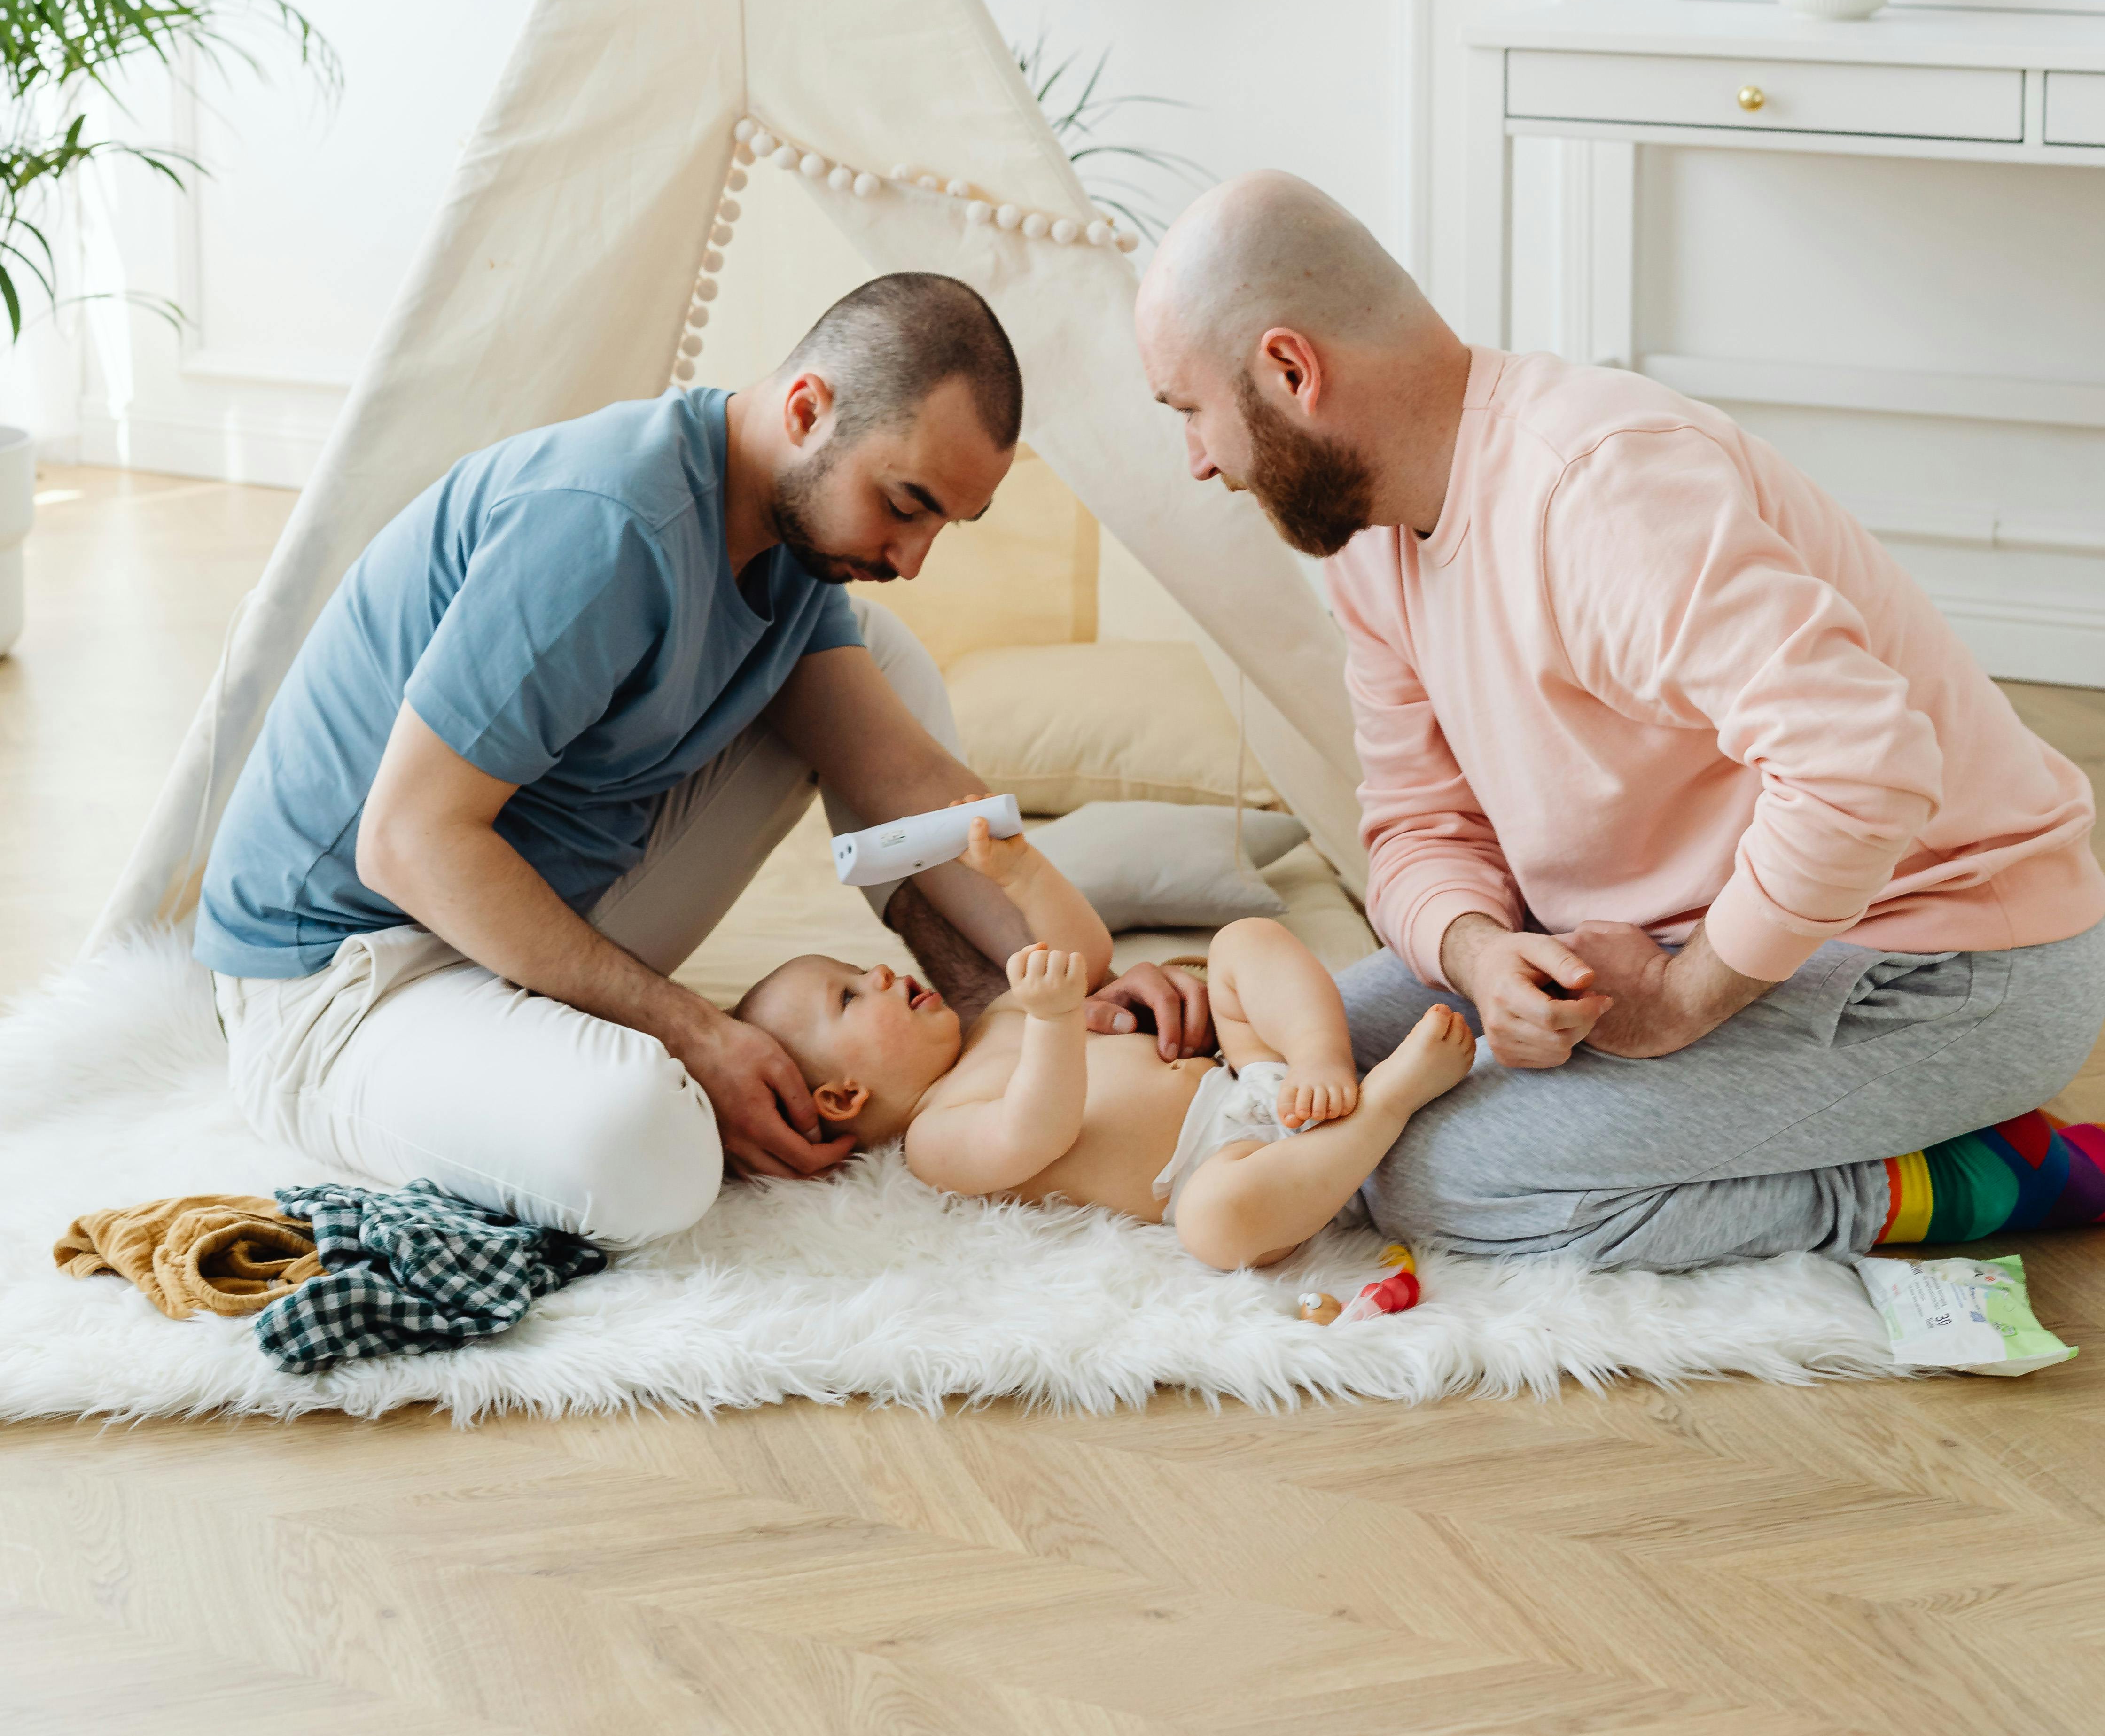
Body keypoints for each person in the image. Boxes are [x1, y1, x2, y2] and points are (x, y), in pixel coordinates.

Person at [1134, 171, 2105, 1269]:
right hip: (1658, 936)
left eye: (1189, 412)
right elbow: (1415, 826)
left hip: (1934, 960)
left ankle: (1962, 1175)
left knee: (1434, 1181)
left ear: (1288, 369)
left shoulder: (1598, 492)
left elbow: (1862, 769)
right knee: (1307, 1067)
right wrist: (1480, 950)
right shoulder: (1368, 543)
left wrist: (1686, 1000)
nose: (1199, 459)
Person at [196, 273, 1205, 1246]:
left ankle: (993, 1005)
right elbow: (406, 844)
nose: (911, 560)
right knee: (653, 1152)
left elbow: (902, 780)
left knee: (878, 663)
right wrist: (693, 1034)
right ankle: (549, 1078)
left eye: (943, 523)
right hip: (343, 981)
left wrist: (1071, 982)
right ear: (807, 409)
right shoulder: (605, 525)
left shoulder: (782, 539)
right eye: (904, 504)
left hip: (519, 922)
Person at [737, 815, 1477, 1265]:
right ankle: (1386, 1102)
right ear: (844, 1095)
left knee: (1243, 942)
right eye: (849, 996)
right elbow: (1039, 1129)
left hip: (1248, 1078)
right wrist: (1056, 1020)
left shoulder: (998, 1015)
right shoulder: (935, 1143)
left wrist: (1023, 874)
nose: (879, 975)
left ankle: (1325, 1060)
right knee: (1215, 1231)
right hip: (1222, 1166)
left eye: (862, 969)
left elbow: (1083, 954)